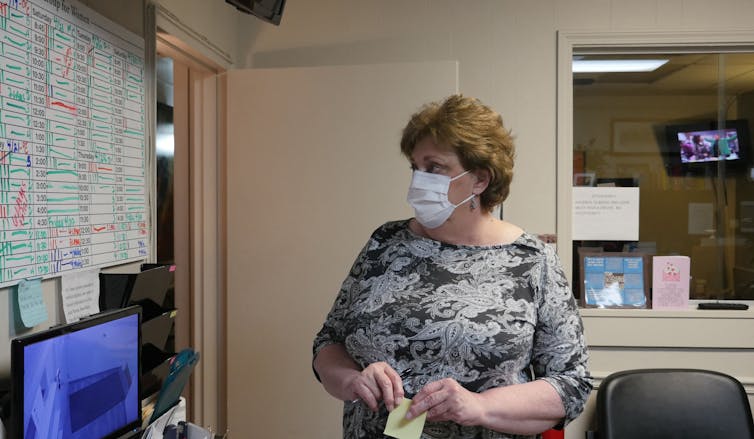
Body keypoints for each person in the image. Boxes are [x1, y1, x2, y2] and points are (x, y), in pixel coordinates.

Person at [312, 94, 592, 439]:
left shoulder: (531, 260)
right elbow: (329, 341)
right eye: (415, 167)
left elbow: (571, 384)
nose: (419, 180)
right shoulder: (386, 242)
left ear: (480, 180)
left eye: (434, 168)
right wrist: (352, 381)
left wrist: (479, 405)